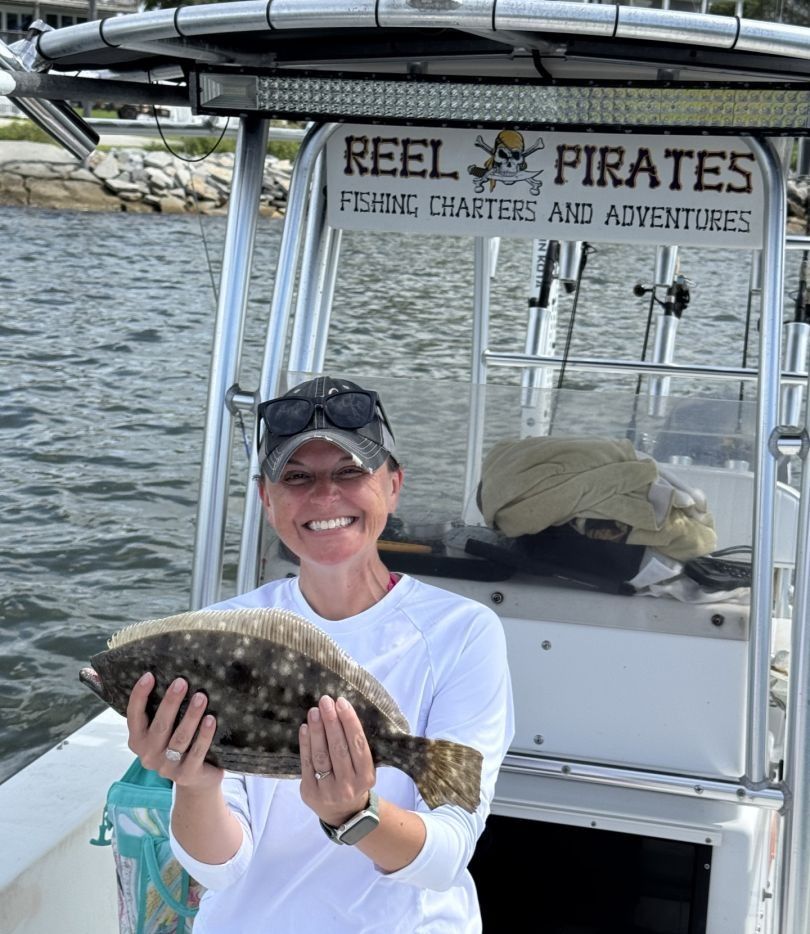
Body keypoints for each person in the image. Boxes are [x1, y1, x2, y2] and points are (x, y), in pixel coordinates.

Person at [126, 375, 514, 933]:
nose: (325, 496)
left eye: (351, 472)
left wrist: (353, 815)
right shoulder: (221, 633)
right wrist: (195, 782)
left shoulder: (463, 631)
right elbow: (219, 869)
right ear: (266, 497)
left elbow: (447, 857)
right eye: (298, 477)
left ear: (394, 485)